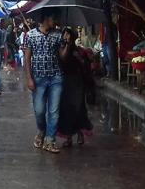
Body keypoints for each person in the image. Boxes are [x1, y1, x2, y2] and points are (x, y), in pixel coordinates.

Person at [23, 13, 69, 154]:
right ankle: (42, 130)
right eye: (53, 18)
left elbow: (63, 57)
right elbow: (27, 58)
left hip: (56, 77)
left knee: (54, 111)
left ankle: (50, 140)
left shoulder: (58, 35)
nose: (55, 21)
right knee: (39, 110)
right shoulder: (30, 35)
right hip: (38, 78)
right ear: (45, 19)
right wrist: (29, 78)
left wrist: (67, 43)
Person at [57, 27, 95, 146]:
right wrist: (67, 45)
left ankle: (79, 133)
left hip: (77, 82)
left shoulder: (79, 51)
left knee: (78, 108)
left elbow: (86, 65)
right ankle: (68, 137)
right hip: (65, 82)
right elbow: (63, 58)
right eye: (64, 34)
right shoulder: (61, 48)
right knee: (66, 110)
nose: (66, 36)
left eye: (68, 34)